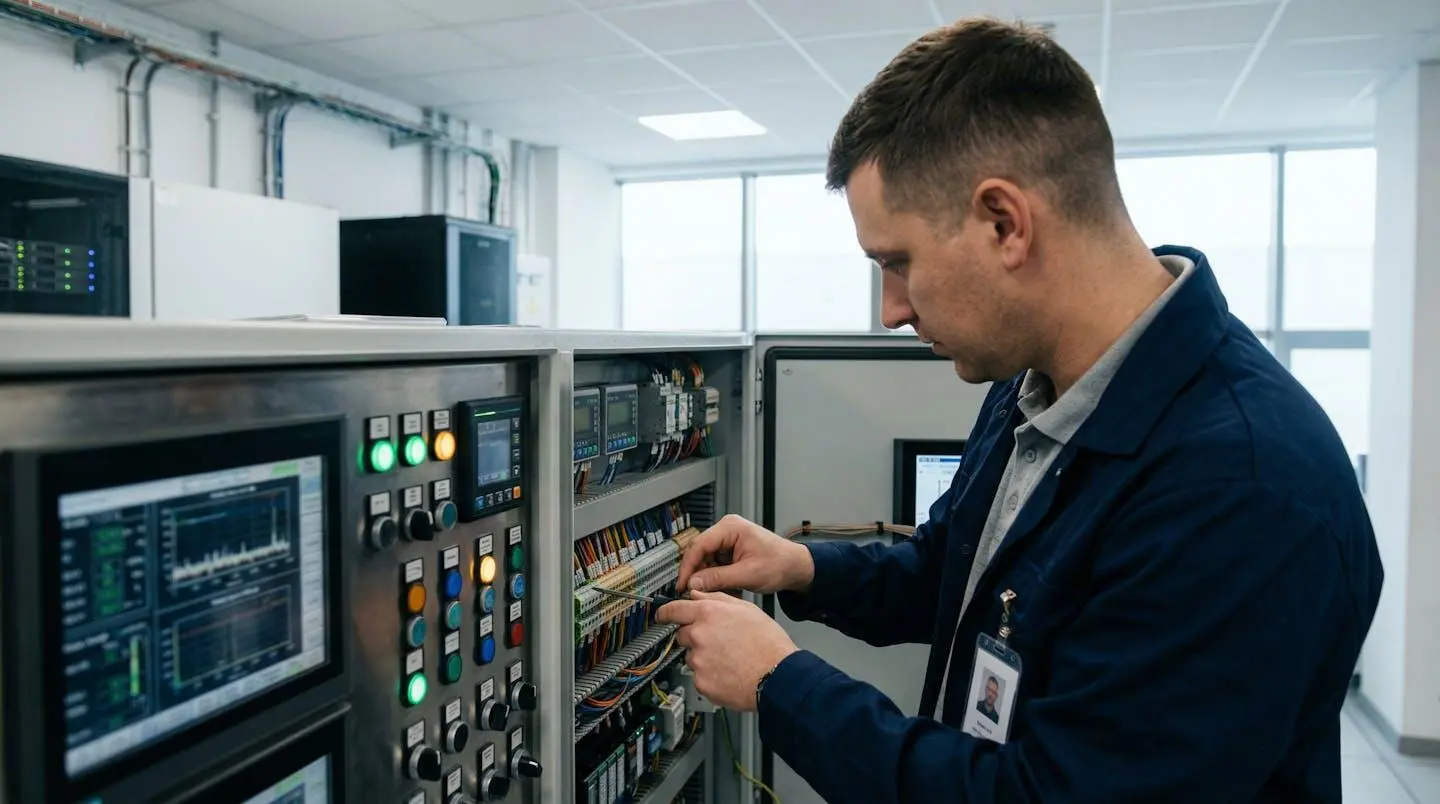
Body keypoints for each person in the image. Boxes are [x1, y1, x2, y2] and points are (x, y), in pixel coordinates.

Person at [654, 16, 1383, 804]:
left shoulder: (1241, 487)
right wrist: (800, 569)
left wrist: (778, 683)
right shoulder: (1032, 382)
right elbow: (957, 572)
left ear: (1005, 223)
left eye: (897, 263)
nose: (890, 310)